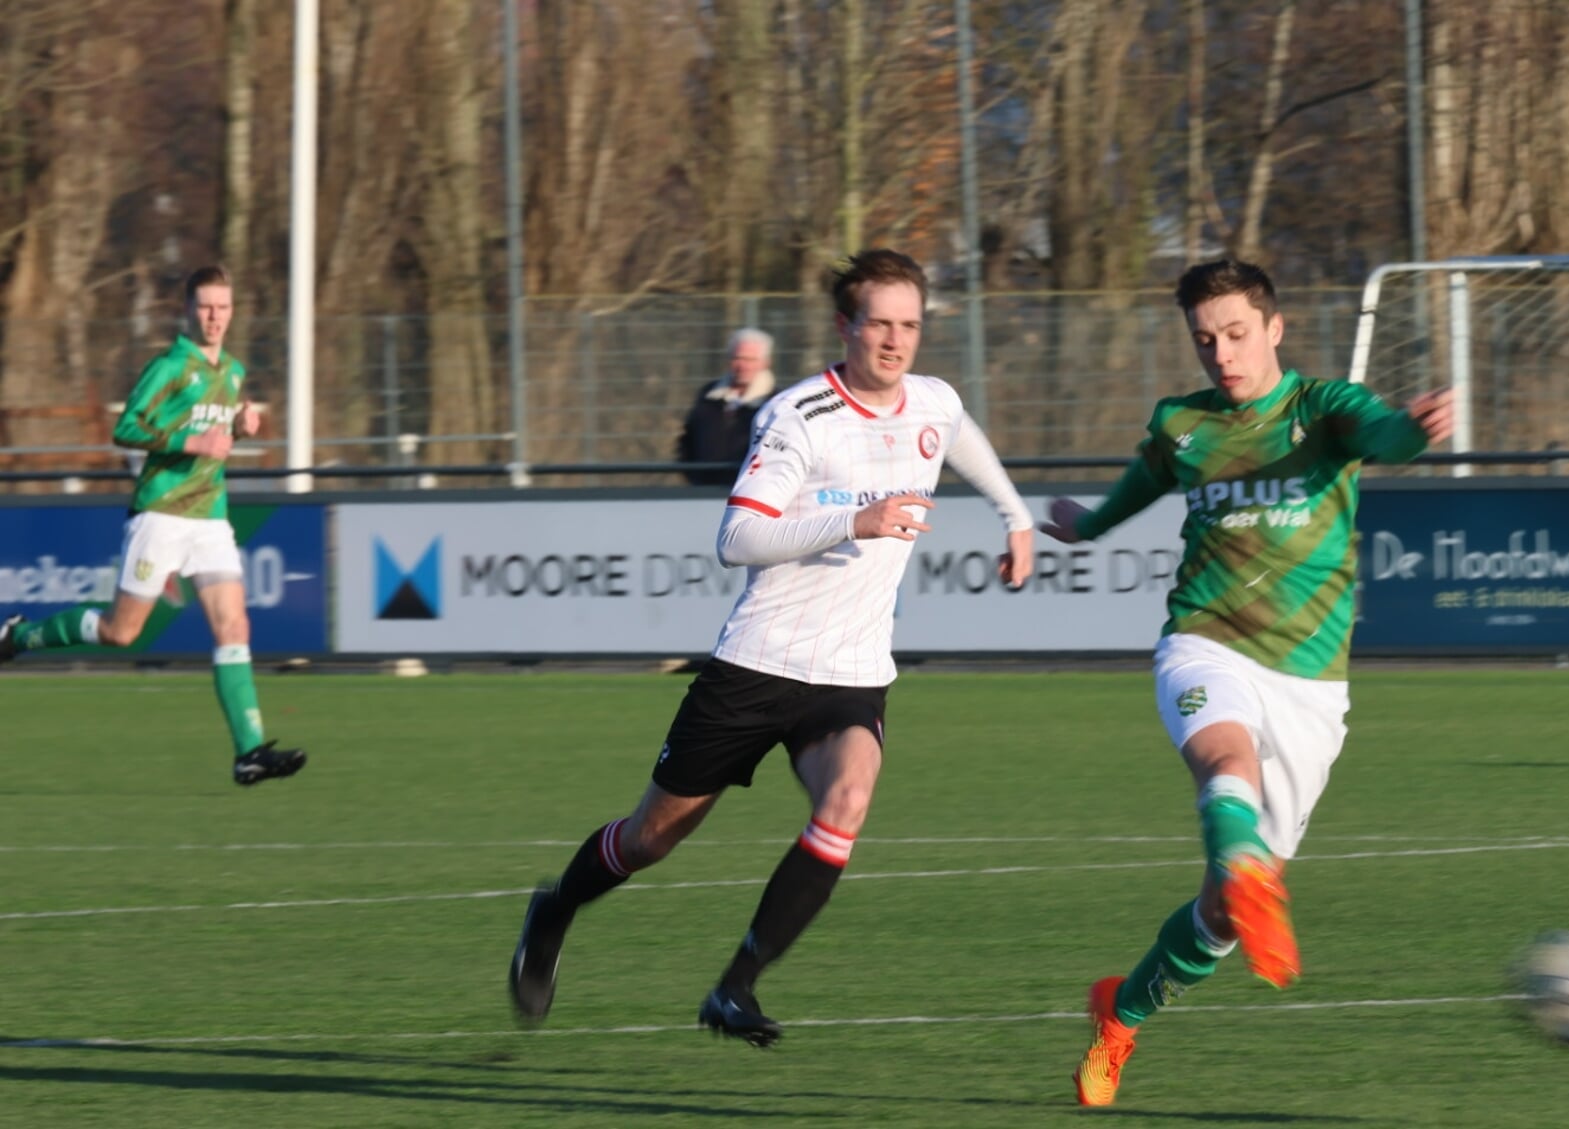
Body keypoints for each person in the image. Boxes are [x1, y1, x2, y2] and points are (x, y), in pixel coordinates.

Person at [509, 249, 1035, 1046]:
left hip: (851, 671)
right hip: (758, 663)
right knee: (652, 835)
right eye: (878, 323)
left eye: (909, 325)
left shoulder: (931, 401)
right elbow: (738, 536)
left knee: (848, 798)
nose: (895, 341)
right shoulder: (797, 418)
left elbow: (955, 433)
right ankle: (555, 908)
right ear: (843, 325)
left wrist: (1014, 515)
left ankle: (735, 986)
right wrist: (853, 519)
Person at [1041, 258, 1451, 1106]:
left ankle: (1123, 1011)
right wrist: (1089, 526)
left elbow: (1382, 435)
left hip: (1309, 684)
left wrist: (1412, 431)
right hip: (1203, 641)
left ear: (1274, 326)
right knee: (1222, 756)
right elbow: (1142, 485)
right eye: (1204, 339)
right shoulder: (1181, 422)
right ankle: (1242, 864)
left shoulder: (1323, 410)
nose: (1221, 354)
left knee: (1220, 922)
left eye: (1235, 333)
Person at [0, 266, 307, 787]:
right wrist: (193, 444)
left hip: (210, 517)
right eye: (206, 307)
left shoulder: (232, 371)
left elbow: (214, 422)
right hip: (160, 515)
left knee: (234, 627)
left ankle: (249, 752)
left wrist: (239, 424)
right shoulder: (169, 366)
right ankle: (19, 636)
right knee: (123, 633)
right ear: (188, 310)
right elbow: (126, 427)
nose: (215, 317)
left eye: (223, 308)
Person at [678, 327, 779, 485]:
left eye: (750, 360)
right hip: (702, 493)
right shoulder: (708, 396)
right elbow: (687, 441)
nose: (742, 365)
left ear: (766, 363)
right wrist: (694, 477)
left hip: (750, 494)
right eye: (737, 358)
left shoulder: (776, 403)